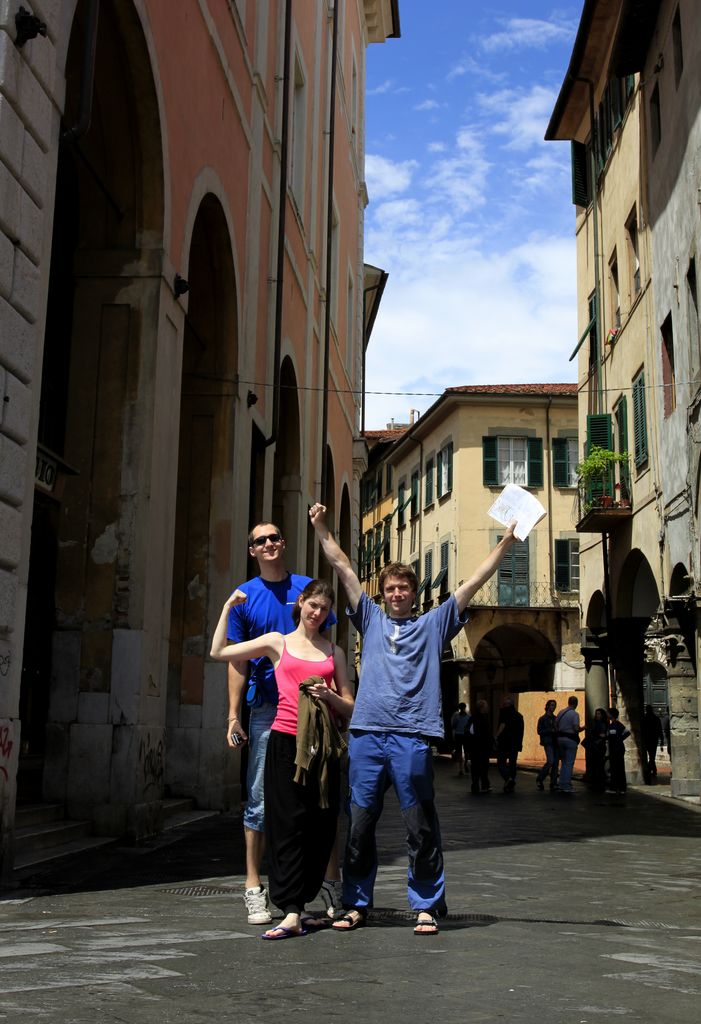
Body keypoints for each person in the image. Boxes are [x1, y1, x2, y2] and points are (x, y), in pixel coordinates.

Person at [309, 501, 517, 936]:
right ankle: (356, 902)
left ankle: (426, 904)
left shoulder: (435, 624)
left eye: (404, 587)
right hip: (367, 735)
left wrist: (507, 543)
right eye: (391, 589)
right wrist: (322, 527)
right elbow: (343, 567)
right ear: (383, 594)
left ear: (413, 592)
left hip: (412, 737)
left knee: (419, 825)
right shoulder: (369, 619)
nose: (397, 594)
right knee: (360, 825)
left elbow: (473, 581)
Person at [212, 579, 354, 939]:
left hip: (321, 747)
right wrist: (228, 607)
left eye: (323, 609)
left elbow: (350, 706)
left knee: (321, 824)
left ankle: (304, 901)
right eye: (312, 606)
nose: (317, 614)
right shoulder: (278, 642)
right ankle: (290, 909)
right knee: (285, 824)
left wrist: (329, 696)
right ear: (301, 603)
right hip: (284, 742)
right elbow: (218, 653)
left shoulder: (333, 653)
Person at [225, 521, 339, 924]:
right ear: (251, 549)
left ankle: (328, 880)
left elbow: (330, 648)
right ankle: (253, 886)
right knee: (259, 801)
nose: (270, 543)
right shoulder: (244, 596)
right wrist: (233, 713)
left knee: (319, 799)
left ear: (283, 543)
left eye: (275, 537)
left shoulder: (308, 589)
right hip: (266, 712)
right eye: (261, 540)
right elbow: (236, 659)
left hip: (315, 712)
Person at [555, 695, 583, 794]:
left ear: (568, 702)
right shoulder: (574, 714)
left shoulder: (561, 712)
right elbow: (576, 728)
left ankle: (561, 783)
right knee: (569, 763)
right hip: (570, 740)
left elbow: (556, 725)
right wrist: (583, 728)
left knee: (563, 762)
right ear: (576, 703)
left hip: (560, 739)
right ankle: (566, 785)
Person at [495, 696, 524, 793]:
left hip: (504, 742)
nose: (502, 705)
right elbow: (521, 731)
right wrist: (520, 743)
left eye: (504, 704)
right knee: (512, 764)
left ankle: (508, 779)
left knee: (501, 763)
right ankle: (511, 782)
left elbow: (502, 725)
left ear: (507, 705)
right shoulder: (519, 716)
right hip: (515, 743)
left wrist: (496, 736)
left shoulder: (504, 713)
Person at [468, 699, 493, 795]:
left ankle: (475, 785)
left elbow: (469, 731)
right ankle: (484, 785)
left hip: (475, 747)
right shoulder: (482, 718)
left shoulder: (473, 718)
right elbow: (484, 733)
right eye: (486, 706)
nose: (488, 708)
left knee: (475, 767)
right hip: (482, 746)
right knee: (483, 766)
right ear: (482, 708)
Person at [535, 699, 559, 791]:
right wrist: (550, 730)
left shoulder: (555, 718)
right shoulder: (542, 719)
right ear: (548, 706)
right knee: (551, 761)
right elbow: (539, 731)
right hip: (548, 742)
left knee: (555, 763)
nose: (553, 707)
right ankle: (540, 778)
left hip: (555, 742)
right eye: (552, 705)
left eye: (554, 705)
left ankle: (553, 782)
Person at [606, 707, 630, 794]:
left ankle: (619, 788)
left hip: (618, 749)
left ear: (611, 715)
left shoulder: (618, 725)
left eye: (608, 713)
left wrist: (619, 739)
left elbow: (627, 732)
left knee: (618, 768)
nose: (607, 715)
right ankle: (617, 787)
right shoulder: (611, 725)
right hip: (613, 748)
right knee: (614, 768)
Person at [585, 707, 609, 792]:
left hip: (598, 747)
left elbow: (602, 735)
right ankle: (598, 782)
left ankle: (599, 782)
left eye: (598, 714)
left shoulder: (601, 724)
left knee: (598, 765)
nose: (597, 715)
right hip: (596, 746)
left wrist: (597, 739)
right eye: (596, 714)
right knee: (596, 765)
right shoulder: (596, 723)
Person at [641, 704, 664, 784]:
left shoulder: (644, 719)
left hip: (646, 740)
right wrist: (662, 741)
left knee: (649, 756)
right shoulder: (656, 718)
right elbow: (660, 730)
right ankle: (652, 770)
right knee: (652, 756)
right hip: (653, 740)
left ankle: (649, 770)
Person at [451, 702, 471, 776]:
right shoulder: (467, 716)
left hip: (460, 735)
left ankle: (462, 767)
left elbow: (453, 725)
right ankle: (463, 766)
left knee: (462, 752)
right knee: (464, 751)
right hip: (463, 735)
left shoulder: (457, 716)